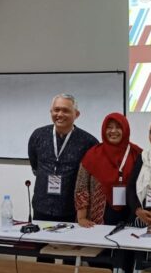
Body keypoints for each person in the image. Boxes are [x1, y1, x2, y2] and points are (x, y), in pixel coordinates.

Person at [28, 94, 98, 223]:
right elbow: (35, 165)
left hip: (72, 210)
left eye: (65, 110)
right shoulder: (38, 135)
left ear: (76, 114)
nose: (59, 114)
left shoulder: (88, 142)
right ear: (51, 112)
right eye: (56, 110)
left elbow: (90, 179)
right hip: (41, 206)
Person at [75, 112, 142, 227]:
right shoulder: (93, 154)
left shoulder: (137, 154)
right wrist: (81, 217)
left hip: (132, 218)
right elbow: (81, 187)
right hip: (97, 220)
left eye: (118, 127)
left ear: (125, 130)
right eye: (109, 127)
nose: (113, 131)